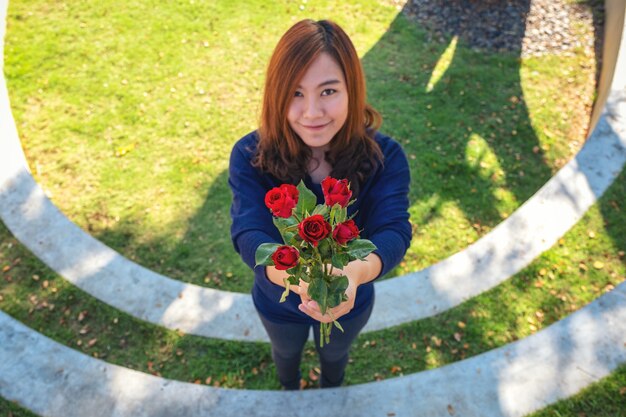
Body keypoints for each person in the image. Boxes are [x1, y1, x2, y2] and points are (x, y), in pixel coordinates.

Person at [228, 19, 411, 390]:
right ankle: (289, 387)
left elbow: (394, 228)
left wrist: (353, 275)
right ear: (275, 95)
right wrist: (297, 280)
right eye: (295, 93)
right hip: (277, 301)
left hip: (353, 298)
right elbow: (249, 230)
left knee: (336, 354)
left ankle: (331, 388)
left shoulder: (385, 157)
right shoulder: (249, 155)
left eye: (328, 91)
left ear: (352, 89)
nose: (312, 112)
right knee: (285, 353)